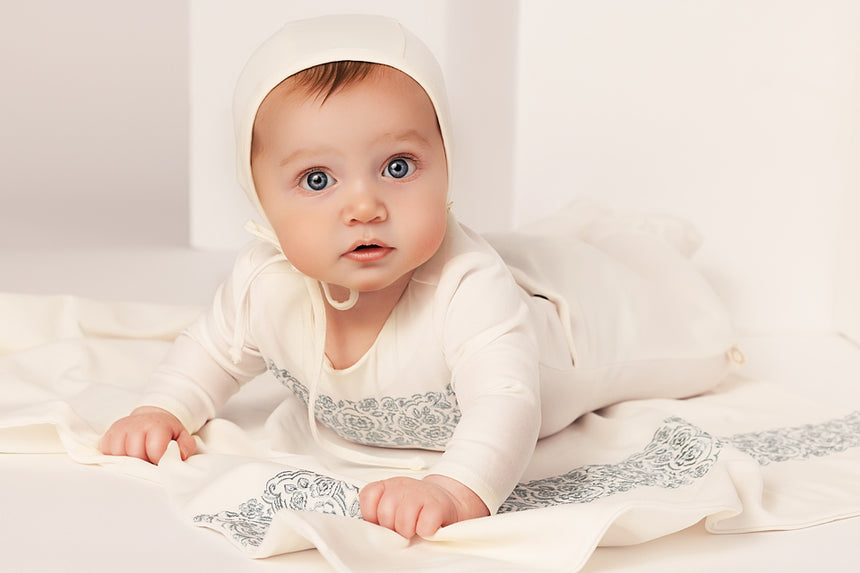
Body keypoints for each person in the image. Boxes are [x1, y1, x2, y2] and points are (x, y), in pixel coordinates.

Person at [100, 14, 736, 540]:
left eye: (398, 167)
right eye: (317, 180)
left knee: (650, 309)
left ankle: (649, 250)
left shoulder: (469, 287)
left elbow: (504, 403)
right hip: (493, 287)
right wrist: (166, 407)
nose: (365, 206)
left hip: (565, 340)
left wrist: (454, 489)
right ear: (260, 200)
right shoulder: (263, 283)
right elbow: (211, 353)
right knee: (546, 251)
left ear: (446, 165)